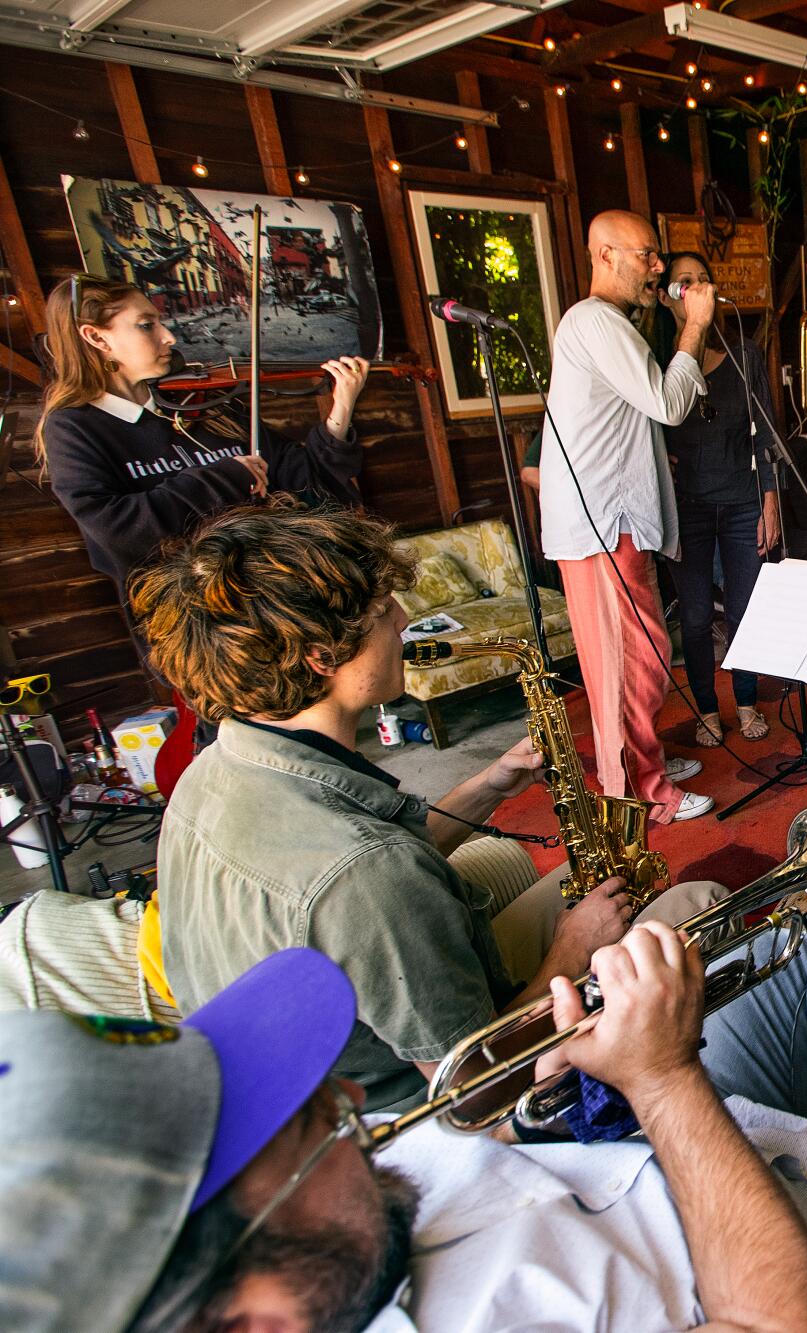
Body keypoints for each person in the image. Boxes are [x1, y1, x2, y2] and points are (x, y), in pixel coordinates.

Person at [0, 932, 807, 1331]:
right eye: (315, 1133)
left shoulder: (326, 1261)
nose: (353, 1107)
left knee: (777, 973)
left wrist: (550, 1102)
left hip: (638, 1173)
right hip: (798, 1271)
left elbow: (479, 1183)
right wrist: (667, 1084)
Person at [133, 501, 676, 1112]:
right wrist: (573, 950)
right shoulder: (366, 874)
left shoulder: (210, 770)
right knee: (688, 907)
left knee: (530, 869)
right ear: (321, 656)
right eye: (382, 611)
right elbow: (471, 1088)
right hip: (401, 1116)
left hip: (284, 1063)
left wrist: (490, 783)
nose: (402, 620)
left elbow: (372, 867)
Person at [35, 274, 370, 605]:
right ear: (97, 338)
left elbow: (308, 482)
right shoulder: (74, 428)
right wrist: (226, 478)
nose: (168, 336)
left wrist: (341, 409)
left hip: (279, 598)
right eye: (146, 325)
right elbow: (118, 530)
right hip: (196, 622)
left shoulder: (203, 404)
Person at [539, 209, 715, 823]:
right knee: (629, 662)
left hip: (612, 521)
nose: (659, 266)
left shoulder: (606, 324)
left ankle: (646, 763)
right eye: (647, 254)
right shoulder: (594, 320)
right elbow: (669, 403)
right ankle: (646, 793)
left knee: (639, 654)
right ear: (606, 256)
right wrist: (693, 328)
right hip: (601, 525)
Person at [653, 250, 781, 748]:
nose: (699, 289)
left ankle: (746, 702)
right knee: (697, 615)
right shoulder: (658, 363)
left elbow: (766, 435)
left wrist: (770, 502)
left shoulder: (744, 355)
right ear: (669, 300)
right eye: (686, 283)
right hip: (688, 510)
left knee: (746, 611)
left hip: (743, 503)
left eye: (704, 279)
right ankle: (707, 709)